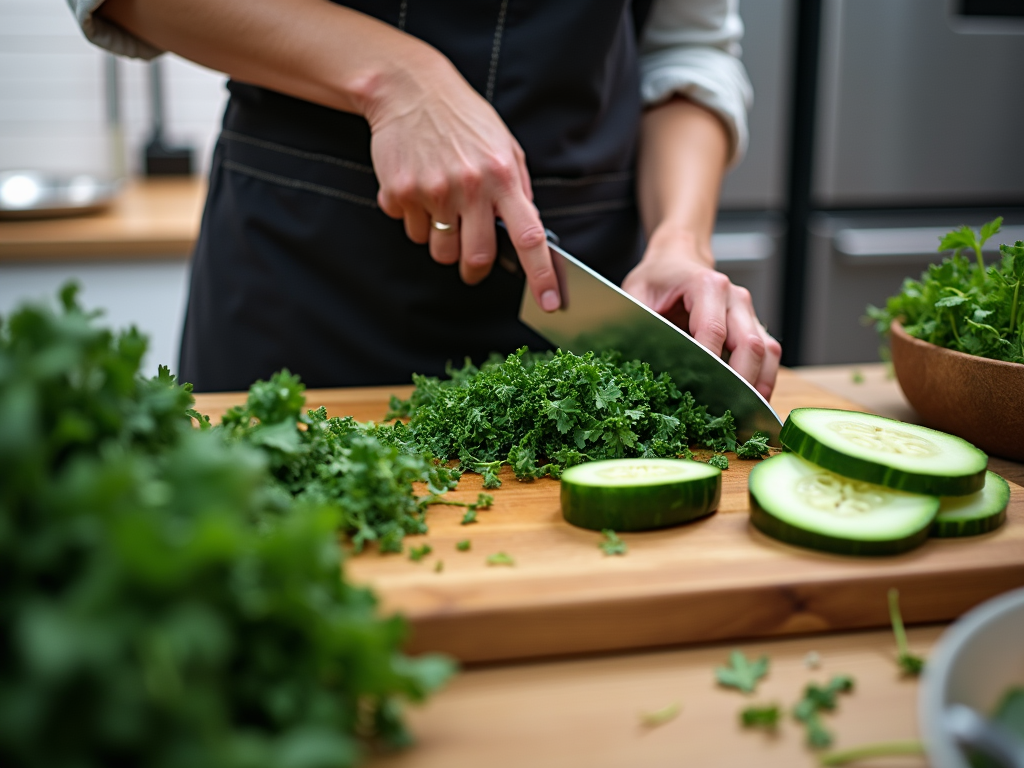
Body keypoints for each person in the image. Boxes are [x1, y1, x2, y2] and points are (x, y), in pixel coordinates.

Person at [69, 0, 781, 398]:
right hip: (297, 276)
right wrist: (395, 78)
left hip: (575, 300)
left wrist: (679, 238)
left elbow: (690, 52)